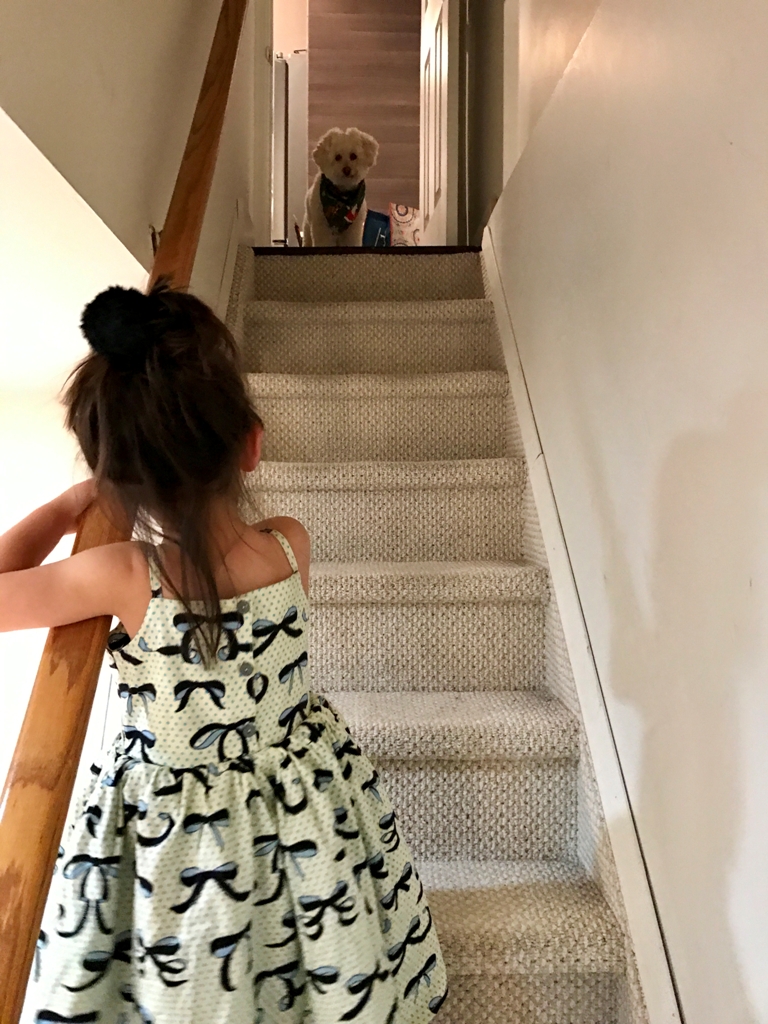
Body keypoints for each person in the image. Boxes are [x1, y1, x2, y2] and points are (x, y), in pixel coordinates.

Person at [0, 281, 447, 1023]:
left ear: (117, 473)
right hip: (305, 800)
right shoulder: (290, 543)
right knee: (318, 949)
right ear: (251, 444)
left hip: (178, 835)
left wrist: (70, 505)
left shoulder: (123, 577)